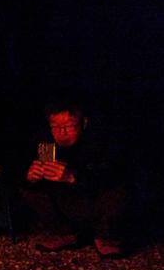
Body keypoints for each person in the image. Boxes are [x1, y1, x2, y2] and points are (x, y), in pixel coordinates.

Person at [21, 99, 130, 257]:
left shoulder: (101, 141)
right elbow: (28, 176)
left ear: (84, 123)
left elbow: (114, 175)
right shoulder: (46, 143)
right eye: (55, 127)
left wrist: (73, 176)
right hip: (69, 204)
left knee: (118, 190)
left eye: (69, 126)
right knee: (29, 188)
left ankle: (106, 236)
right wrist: (32, 177)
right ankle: (65, 233)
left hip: (95, 202)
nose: (62, 132)